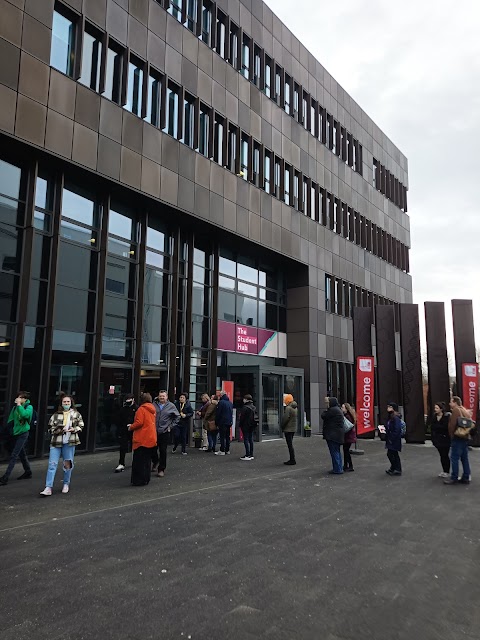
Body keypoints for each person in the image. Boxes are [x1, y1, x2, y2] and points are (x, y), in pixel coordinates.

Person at [40, 396, 84, 496]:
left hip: (70, 441)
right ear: (61, 403)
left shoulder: (76, 414)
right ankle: (48, 487)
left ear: (71, 403)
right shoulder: (56, 415)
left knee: (68, 464)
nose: (66, 403)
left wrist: (74, 429)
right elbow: (50, 428)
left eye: (68, 402)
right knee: (52, 464)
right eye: (64, 402)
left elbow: (81, 425)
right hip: (56, 441)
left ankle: (66, 484)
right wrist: (58, 430)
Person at [0, 392, 34, 486]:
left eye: (20, 398)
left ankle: (5, 477)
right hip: (16, 433)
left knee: (14, 455)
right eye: (18, 397)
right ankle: (28, 471)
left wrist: (19, 405)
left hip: (23, 433)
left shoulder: (29, 407)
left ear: (25, 399)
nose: (18, 399)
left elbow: (25, 415)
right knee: (22, 453)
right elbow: (11, 420)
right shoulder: (15, 408)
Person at [128, 393, 157, 486]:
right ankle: (146, 479)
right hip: (151, 437)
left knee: (138, 461)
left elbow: (139, 422)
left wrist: (131, 427)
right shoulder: (152, 409)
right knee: (147, 460)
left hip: (142, 438)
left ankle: (138, 480)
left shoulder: (141, 409)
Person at [444, 396, 472, 485]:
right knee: (464, 458)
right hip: (465, 436)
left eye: (451, 402)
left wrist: (451, 435)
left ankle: (454, 477)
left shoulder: (456, 410)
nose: (449, 404)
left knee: (454, 458)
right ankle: (466, 476)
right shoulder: (464, 410)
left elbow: (452, 425)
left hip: (457, 437)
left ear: (455, 402)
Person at [152, 390, 180, 477]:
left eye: (163, 396)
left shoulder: (171, 406)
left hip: (164, 431)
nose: (162, 398)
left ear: (166, 397)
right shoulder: (154, 405)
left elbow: (177, 416)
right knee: (152, 449)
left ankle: (161, 469)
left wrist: (170, 426)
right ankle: (155, 461)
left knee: (163, 450)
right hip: (153, 431)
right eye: (160, 396)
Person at [321, 397, 345, 474]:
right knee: (337, 451)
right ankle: (338, 467)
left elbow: (323, 415)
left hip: (333, 435)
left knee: (334, 452)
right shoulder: (337, 410)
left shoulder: (333, 410)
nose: (326, 404)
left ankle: (337, 469)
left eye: (328, 403)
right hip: (337, 435)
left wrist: (327, 409)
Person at [114, 393, 137, 473]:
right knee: (123, 446)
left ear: (133, 400)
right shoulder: (123, 409)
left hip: (134, 430)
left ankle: (135, 461)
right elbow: (119, 419)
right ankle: (121, 463)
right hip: (124, 429)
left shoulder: (137, 409)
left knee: (135, 446)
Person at [430, 401, 451, 478]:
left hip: (445, 439)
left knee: (445, 455)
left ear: (441, 409)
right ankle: (444, 470)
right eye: (435, 408)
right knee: (442, 455)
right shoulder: (434, 416)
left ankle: (447, 471)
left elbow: (445, 427)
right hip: (437, 439)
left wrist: (437, 427)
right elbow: (432, 427)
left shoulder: (446, 417)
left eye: (437, 408)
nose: (435, 409)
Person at [385, 402, 402, 476]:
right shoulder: (390, 416)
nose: (388, 408)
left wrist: (392, 437)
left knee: (392, 454)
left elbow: (397, 429)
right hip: (390, 438)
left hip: (394, 439)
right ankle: (394, 467)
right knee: (392, 454)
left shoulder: (395, 418)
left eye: (390, 407)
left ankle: (397, 468)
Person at [238, 394, 257, 460]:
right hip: (252, 425)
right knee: (250, 439)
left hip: (245, 425)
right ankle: (251, 454)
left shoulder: (245, 407)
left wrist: (240, 425)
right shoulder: (253, 407)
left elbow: (242, 418)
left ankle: (247, 454)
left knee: (245, 439)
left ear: (246, 399)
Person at [215, 390, 233, 456]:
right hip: (229, 421)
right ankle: (227, 449)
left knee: (222, 436)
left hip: (222, 422)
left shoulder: (221, 402)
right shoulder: (230, 402)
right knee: (227, 436)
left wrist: (216, 422)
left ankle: (222, 450)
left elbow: (218, 413)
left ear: (221, 395)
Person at [281, 394, 298, 465]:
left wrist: (282, 426)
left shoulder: (288, 408)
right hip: (293, 428)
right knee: (290, 444)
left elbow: (285, 418)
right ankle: (292, 459)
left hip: (288, 429)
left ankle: (292, 459)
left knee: (289, 445)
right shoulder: (295, 408)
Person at [341, 402, 357, 472]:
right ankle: (346, 465)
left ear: (346, 409)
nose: (341, 409)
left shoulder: (347, 417)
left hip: (348, 436)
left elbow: (347, 426)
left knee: (346, 451)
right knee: (346, 450)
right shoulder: (349, 415)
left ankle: (349, 465)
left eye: (343, 407)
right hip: (349, 436)